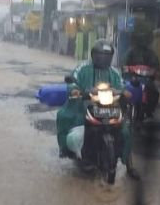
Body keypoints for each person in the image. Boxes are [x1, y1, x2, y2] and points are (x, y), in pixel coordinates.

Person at [56, 40, 138, 178]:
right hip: (84, 105)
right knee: (64, 116)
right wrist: (75, 90)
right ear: (94, 55)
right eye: (100, 55)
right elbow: (74, 80)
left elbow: (121, 85)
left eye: (107, 56)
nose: (103, 58)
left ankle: (129, 165)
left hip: (110, 106)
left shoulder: (114, 72)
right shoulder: (83, 67)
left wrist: (124, 92)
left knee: (126, 129)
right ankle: (67, 150)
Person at [123, 31, 160, 118]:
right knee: (123, 90)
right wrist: (127, 70)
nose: (142, 42)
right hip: (132, 77)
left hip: (146, 78)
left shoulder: (151, 53)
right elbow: (124, 64)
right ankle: (123, 109)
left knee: (154, 92)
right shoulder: (130, 52)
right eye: (140, 40)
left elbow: (155, 65)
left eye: (144, 40)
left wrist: (153, 71)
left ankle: (149, 110)